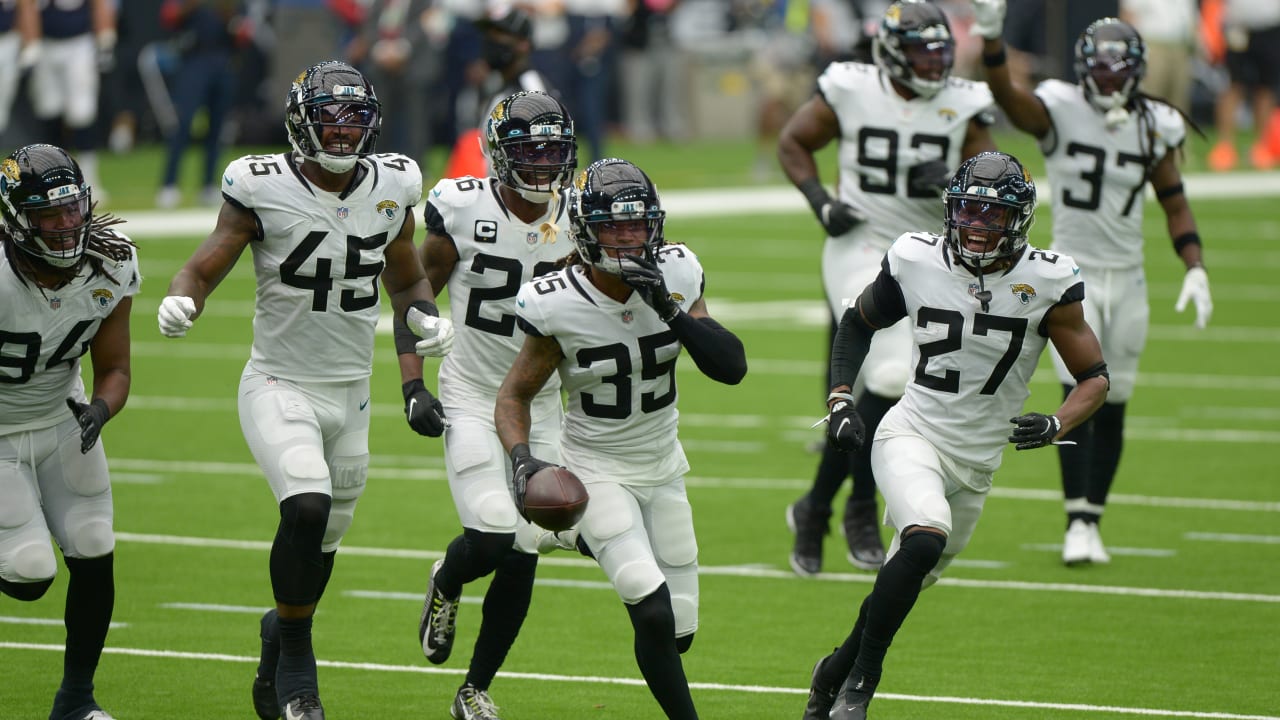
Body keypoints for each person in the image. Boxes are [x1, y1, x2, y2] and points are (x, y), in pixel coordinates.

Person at [155, 60, 453, 720]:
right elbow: (204, 265)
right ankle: (297, 663)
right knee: (307, 506)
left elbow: (404, 280)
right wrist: (182, 299)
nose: (343, 133)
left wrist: (423, 318)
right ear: (299, 120)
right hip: (277, 381)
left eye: (355, 119)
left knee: (319, 547)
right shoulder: (259, 185)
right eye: (330, 117)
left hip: (350, 395)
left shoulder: (394, 183)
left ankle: (278, 633)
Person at [803, 151, 1109, 720]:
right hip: (911, 433)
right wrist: (842, 398)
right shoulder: (916, 258)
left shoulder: (1047, 279)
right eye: (967, 209)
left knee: (901, 586)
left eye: (992, 215)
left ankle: (833, 670)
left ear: (1018, 220)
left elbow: (1094, 378)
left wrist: (1058, 421)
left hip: (978, 463)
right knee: (924, 536)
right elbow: (857, 323)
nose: (975, 225)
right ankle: (860, 688)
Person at [494, 158, 747, 720]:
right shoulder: (555, 300)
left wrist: (669, 309)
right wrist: (522, 462)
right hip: (597, 467)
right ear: (586, 229)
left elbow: (732, 367)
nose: (629, 237)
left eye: (638, 224)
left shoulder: (677, 272)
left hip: (663, 466)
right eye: (614, 225)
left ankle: (566, 534)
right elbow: (514, 396)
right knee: (650, 608)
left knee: (677, 634)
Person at [971, 4, 1213, 565]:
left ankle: (1093, 517)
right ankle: (1076, 519)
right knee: (1078, 393)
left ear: (1135, 70)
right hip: (1072, 278)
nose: (1106, 80)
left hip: (1128, 279)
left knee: (1118, 401)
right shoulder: (1059, 107)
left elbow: (1174, 201)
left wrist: (1194, 264)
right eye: (1098, 69)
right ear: (1083, 69)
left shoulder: (1154, 122)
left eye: (1116, 69)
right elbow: (1008, 96)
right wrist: (989, 38)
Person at [776, 0, 997, 577]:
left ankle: (818, 506)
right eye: (923, 52)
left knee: (896, 384)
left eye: (941, 52)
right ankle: (856, 508)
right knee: (889, 375)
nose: (935, 64)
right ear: (893, 53)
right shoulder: (851, 87)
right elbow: (793, 143)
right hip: (864, 243)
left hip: (929, 254)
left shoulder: (962, 102)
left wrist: (952, 183)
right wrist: (823, 203)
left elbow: (997, 185)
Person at [415, 89, 579, 720]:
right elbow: (414, 293)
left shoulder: (578, 217)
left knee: (527, 546)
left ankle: (474, 688)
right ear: (497, 154)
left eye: (552, 153)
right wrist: (412, 382)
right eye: (528, 153)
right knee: (489, 537)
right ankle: (448, 580)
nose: (541, 166)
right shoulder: (461, 207)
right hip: (472, 393)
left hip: (541, 407)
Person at [0, 143, 139, 720]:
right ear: (15, 219)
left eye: (72, 211)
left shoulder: (111, 261)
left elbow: (115, 369)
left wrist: (100, 411)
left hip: (62, 417)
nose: (64, 228)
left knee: (94, 546)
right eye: (48, 216)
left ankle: (76, 701)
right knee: (30, 572)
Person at [30, 0, 116, 202]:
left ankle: (89, 179)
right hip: (45, 44)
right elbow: (27, 7)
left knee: (82, 112)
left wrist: (105, 37)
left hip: (79, 43)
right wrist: (30, 43)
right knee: (48, 111)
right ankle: (50, 179)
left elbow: (100, 4)